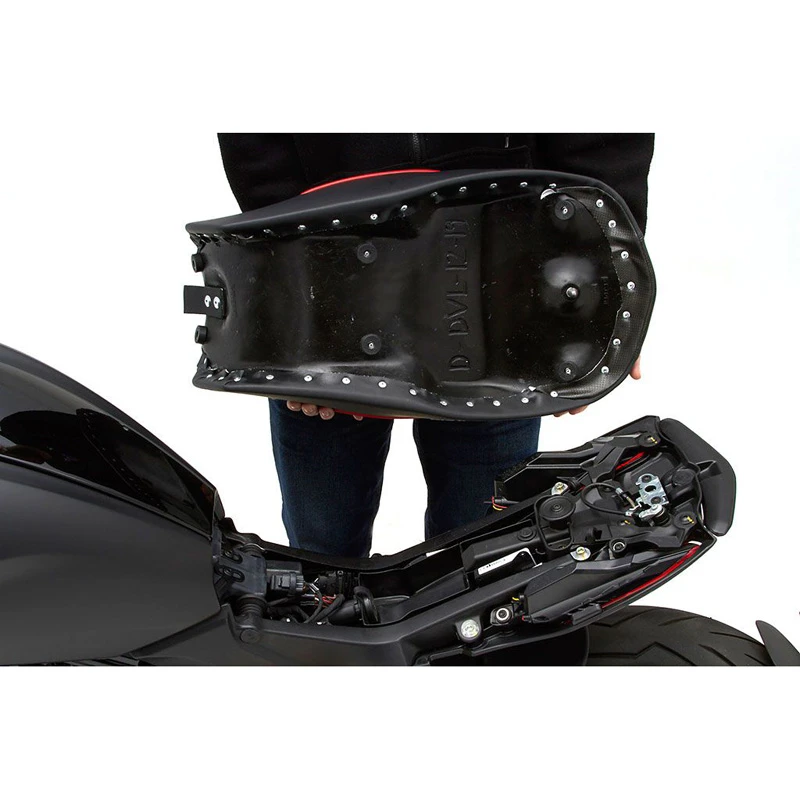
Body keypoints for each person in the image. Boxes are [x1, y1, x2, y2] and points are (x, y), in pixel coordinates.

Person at [217, 134, 655, 557]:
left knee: (480, 559)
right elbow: (255, 141)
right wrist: (287, 259)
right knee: (321, 559)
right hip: (323, 259)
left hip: (503, 278)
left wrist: (608, 279)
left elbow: (601, 131)